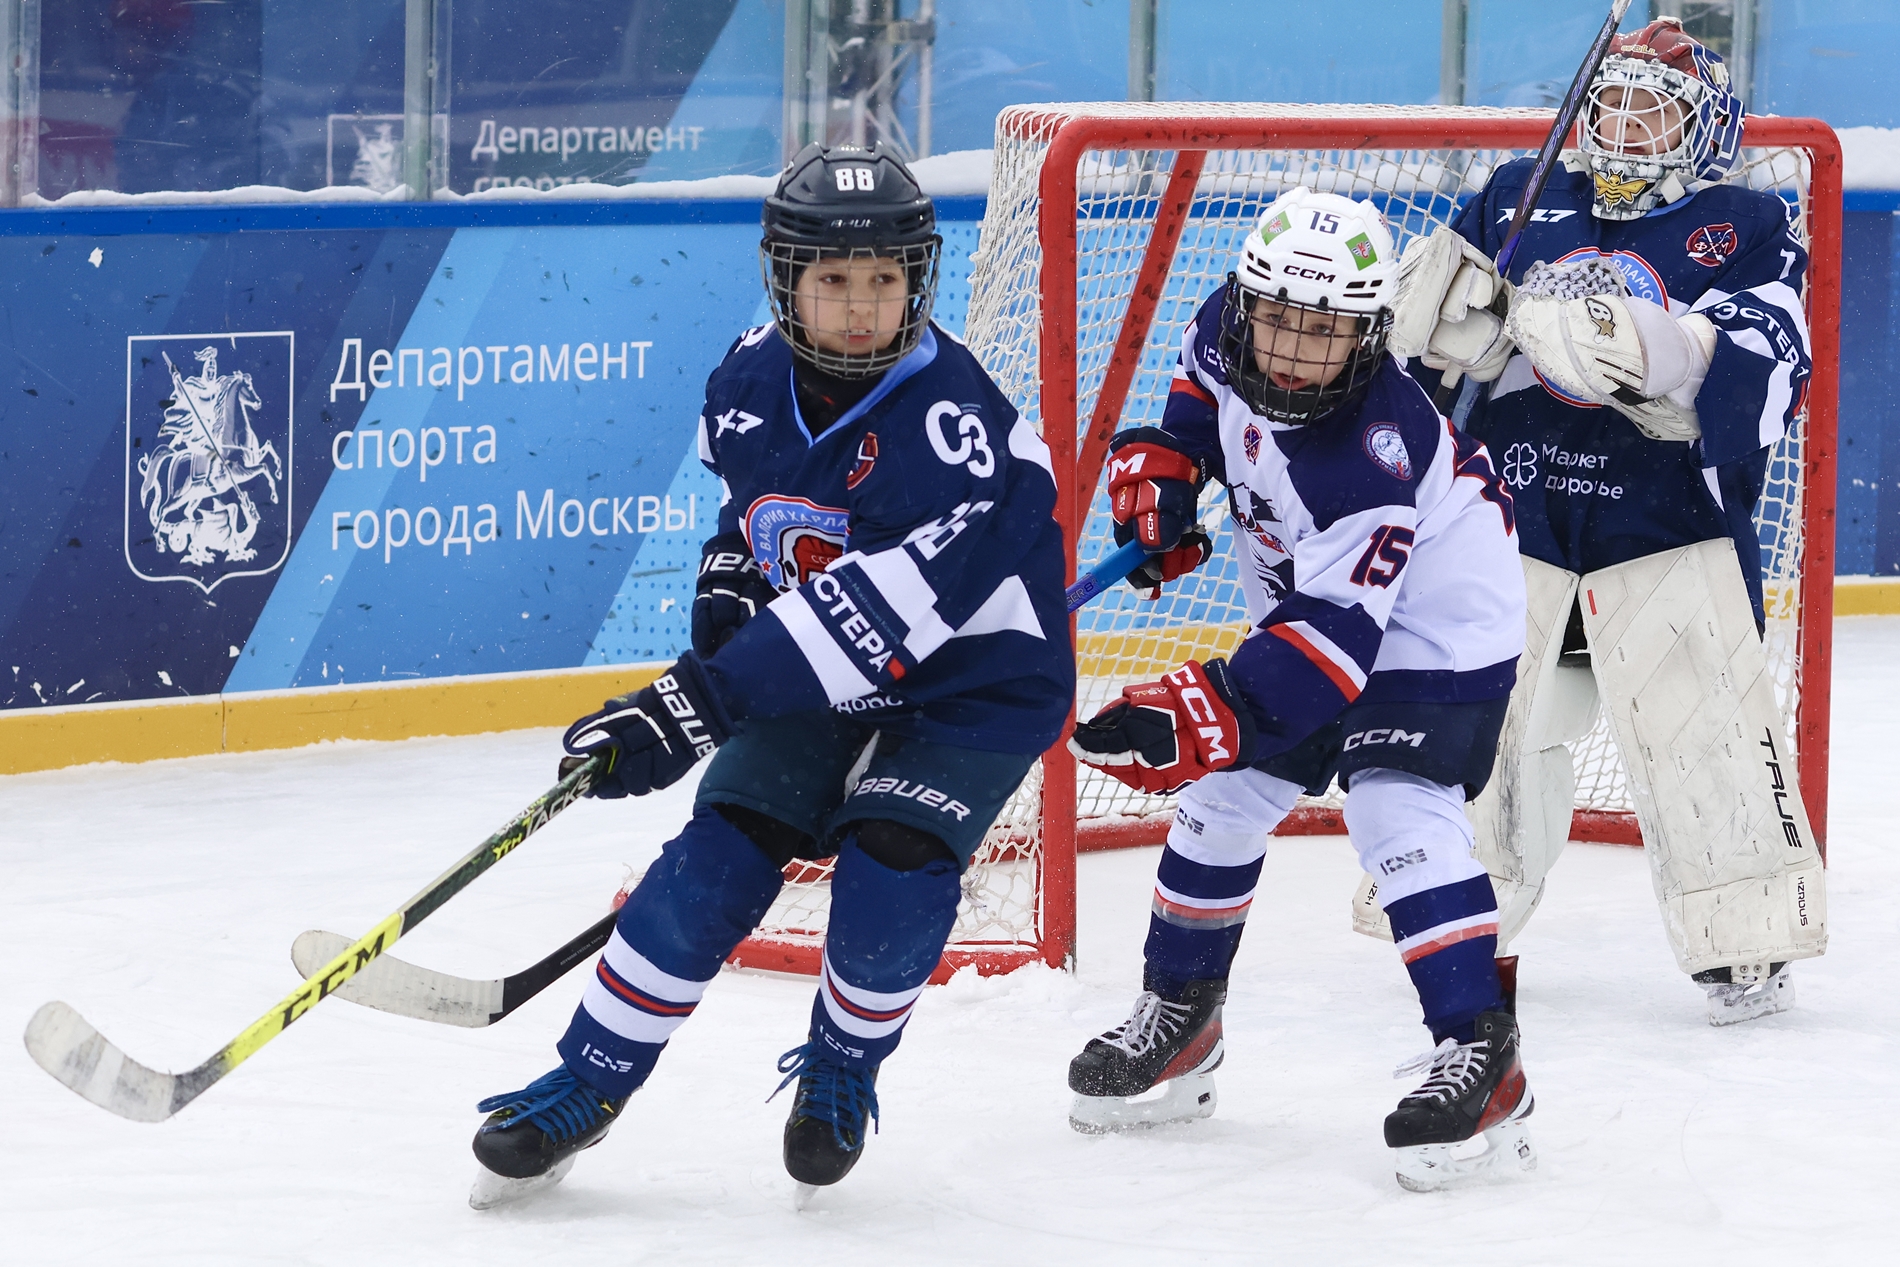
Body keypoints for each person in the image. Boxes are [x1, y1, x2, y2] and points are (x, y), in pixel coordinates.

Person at [464, 142, 1074, 1208]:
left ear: (916, 280)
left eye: (885, 280)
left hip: (978, 677)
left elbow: (876, 613)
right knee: (718, 853)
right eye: (833, 280)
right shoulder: (746, 379)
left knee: (891, 859)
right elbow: (753, 526)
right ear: (786, 276)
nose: (860, 307)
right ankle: (587, 1079)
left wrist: (696, 700)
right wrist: (725, 613)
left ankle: (840, 1067)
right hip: (826, 665)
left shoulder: (949, 429)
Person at [1066, 188, 1533, 1191]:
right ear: (1245, 304)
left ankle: (1479, 1054)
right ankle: (1183, 1019)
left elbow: (1332, 654)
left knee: (1393, 810)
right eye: (1277, 318)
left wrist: (1198, 707)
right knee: (1221, 799)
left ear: (1368, 336)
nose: (1289, 350)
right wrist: (1172, 463)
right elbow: (1197, 393)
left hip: (1432, 639)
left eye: (1323, 333)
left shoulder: (1371, 453)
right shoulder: (1221, 326)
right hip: (1315, 616)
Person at [1384, 17, 1827, 1025]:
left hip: (1666, 528)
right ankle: (1459, 917)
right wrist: (1454, 326)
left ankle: (1742, 940)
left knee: (1702, 735)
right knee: (1492, 735)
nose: (1624, 127)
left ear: (1705, 125)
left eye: (1651, 108)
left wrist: (1637, 346)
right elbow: (1438, 337)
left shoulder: (1747, 224)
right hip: (1517, 516)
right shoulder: (1519, 194)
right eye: (1611, 104)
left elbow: (1759, 368)